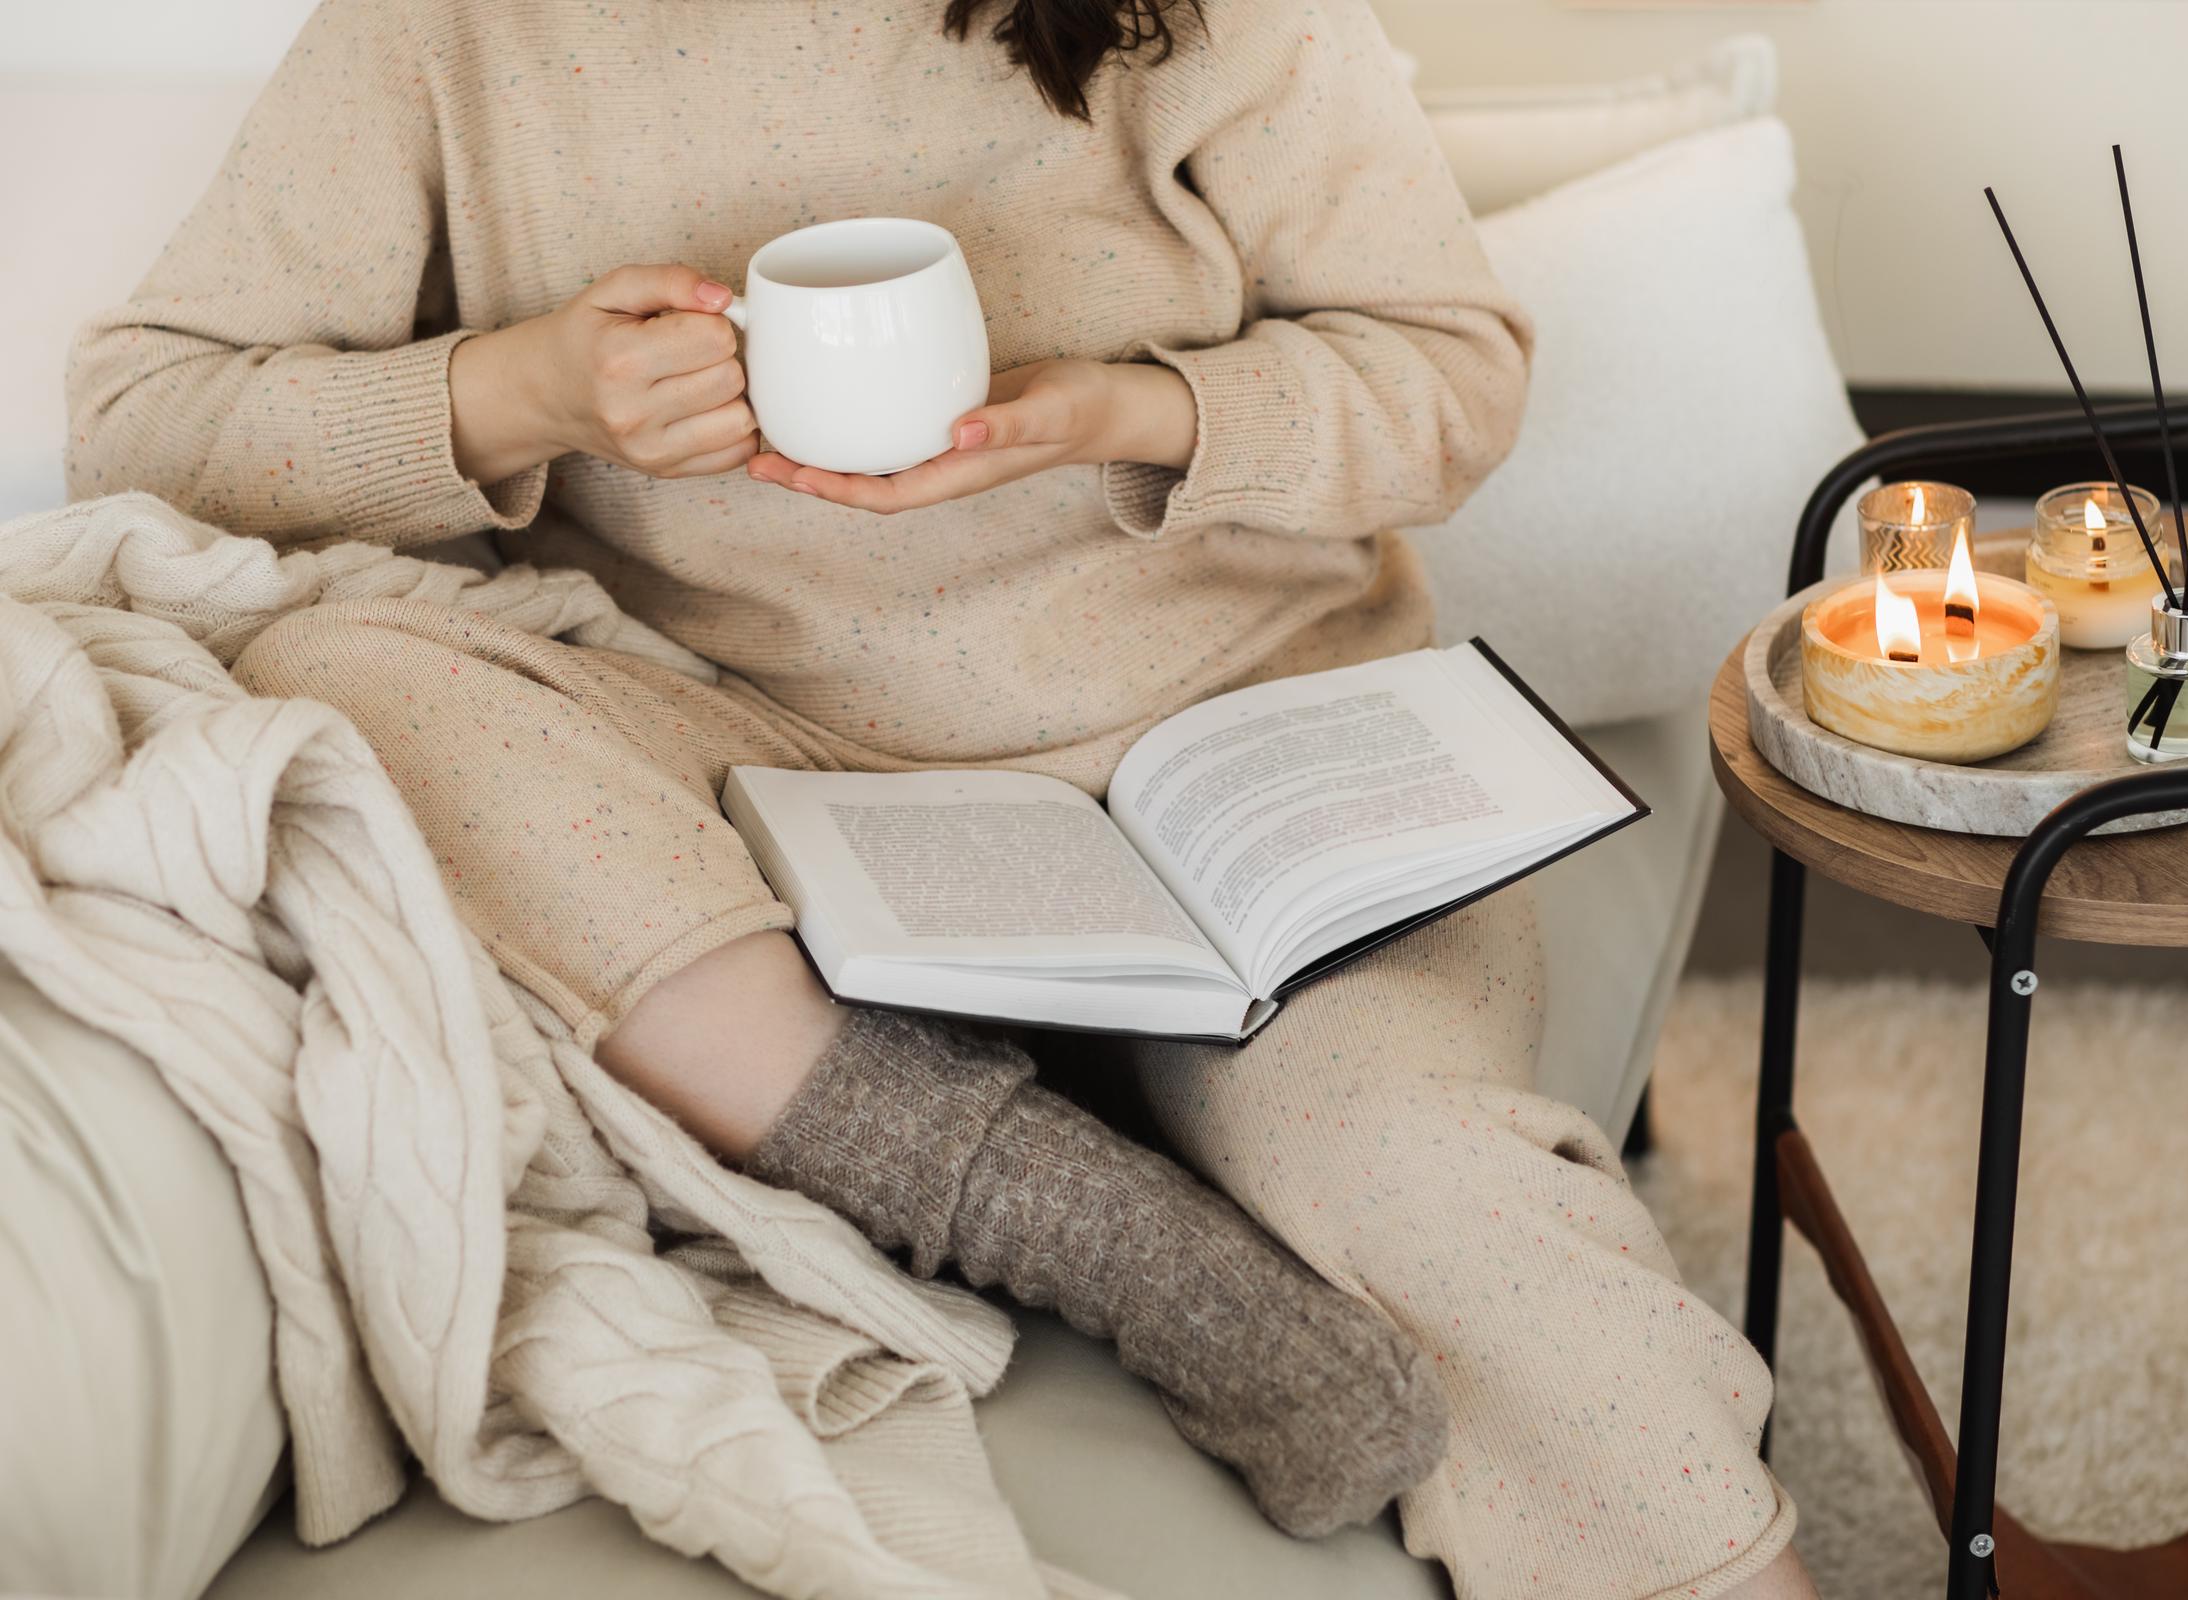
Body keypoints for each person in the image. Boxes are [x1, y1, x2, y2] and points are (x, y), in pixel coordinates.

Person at [65, 0, 1814, 1593]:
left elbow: (1454, 377)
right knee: (339, 675)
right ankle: (1074, 1221)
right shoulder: (439, 34)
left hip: (1234, 767)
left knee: (1441, 1197)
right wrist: (516, 387)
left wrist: (1138, 416)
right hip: (754, 782)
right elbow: (141, 421)